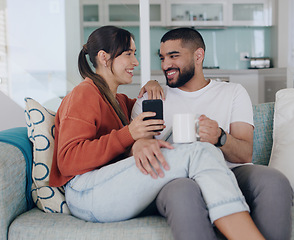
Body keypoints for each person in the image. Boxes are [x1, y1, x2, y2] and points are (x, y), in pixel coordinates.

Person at [49, 25, 266, 240]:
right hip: (85, 193)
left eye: (135, 54)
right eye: (128, 54)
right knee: (200, 152)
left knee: (197, 149)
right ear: (104, 58)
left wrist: (154, 85)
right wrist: (129, 135)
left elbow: (138, 127)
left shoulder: (120, 101)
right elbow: (67, 160)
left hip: (109, 185)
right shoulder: (83, 94)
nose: (136, 62)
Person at [131, 27, 294, 240]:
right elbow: (140, 154)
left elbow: (245, 154)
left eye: (173, 56)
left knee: (274, 181)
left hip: (231, 174)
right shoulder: (150, 99)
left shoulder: (233, 92)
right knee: (183, 192)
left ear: (198, 56)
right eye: (162, 58)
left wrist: (220, 137)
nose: (165, 65)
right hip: (177, 179)